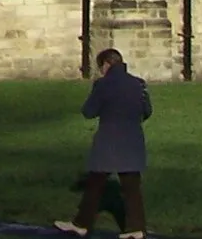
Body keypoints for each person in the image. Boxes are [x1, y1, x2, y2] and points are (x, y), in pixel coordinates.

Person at [55, 47, 150, 238]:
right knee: (131, 187)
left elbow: (88, 111)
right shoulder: (139, 84)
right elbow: (147, 111)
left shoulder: (103, 84)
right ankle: (136, 228)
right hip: (133, 139)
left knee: (95, 184)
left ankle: (81, 224)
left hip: (108, 140)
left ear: (106, 64)